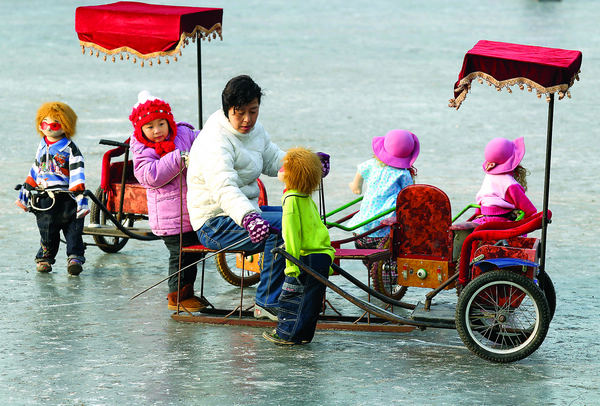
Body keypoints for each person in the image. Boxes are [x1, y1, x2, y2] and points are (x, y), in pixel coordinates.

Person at [187, 75, 287, 321]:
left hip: (245, 212)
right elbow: (224, 188)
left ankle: (294, 290)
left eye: (253, 111)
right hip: (215, 222)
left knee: (297, 218)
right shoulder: (215, 140)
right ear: (227, 110)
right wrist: (250, 217)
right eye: (239, 112)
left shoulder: (255, 131)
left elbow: (273, 159)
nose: (247, 119)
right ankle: (267, 301)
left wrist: (305, 163)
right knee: (281, 230)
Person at [129, 90, 207, 312]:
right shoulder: (142, 149)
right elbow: (150, 175)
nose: (157, 131)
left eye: (161, 124)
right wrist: (177, 158)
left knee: (194, 253)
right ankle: (177, 297)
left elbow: (205, 140)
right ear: (141, 130)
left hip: (192, 210)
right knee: (180, 256)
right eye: (150, 127)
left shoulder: (183, 134)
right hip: (169, 217)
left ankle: (188, 294)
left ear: (169, 121)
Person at [262, 147, 335, 345]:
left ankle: (287, 334)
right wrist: (329, 257)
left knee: (292, 299)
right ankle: (303, 335)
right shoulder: (306, 197)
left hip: (303, 257)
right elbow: (318, 228)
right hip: (321, 254)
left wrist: (291, 264)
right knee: (311, 301)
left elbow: (291, 235)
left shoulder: (291, 198)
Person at [15, 101, 89, 275]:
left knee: (73, 228)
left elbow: (77, 170)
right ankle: (45, 257)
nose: (49, 128)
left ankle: (74, 257)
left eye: (54, 124)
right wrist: (27, 188)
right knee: (47, 229)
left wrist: (79, 193)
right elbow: (36, 168)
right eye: (44, 124)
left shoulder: (70, 148)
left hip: (67, 195)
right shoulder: (42, 145)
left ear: (66, 125)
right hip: (46, 196)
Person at [347, 129, 419, 250]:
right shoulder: (403, 174)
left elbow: (361, 170)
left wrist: (356, 186)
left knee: (371, 263)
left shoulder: (372, 164)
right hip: (383, 234)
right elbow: (409, 198)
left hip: (360, 232)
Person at [472, 137, 537, 224]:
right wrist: (536, 217)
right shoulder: (510, 183)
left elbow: (481, 197)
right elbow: (527, 208)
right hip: (501, 220)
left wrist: (478, 213)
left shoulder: (489, 176)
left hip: (484, 215)